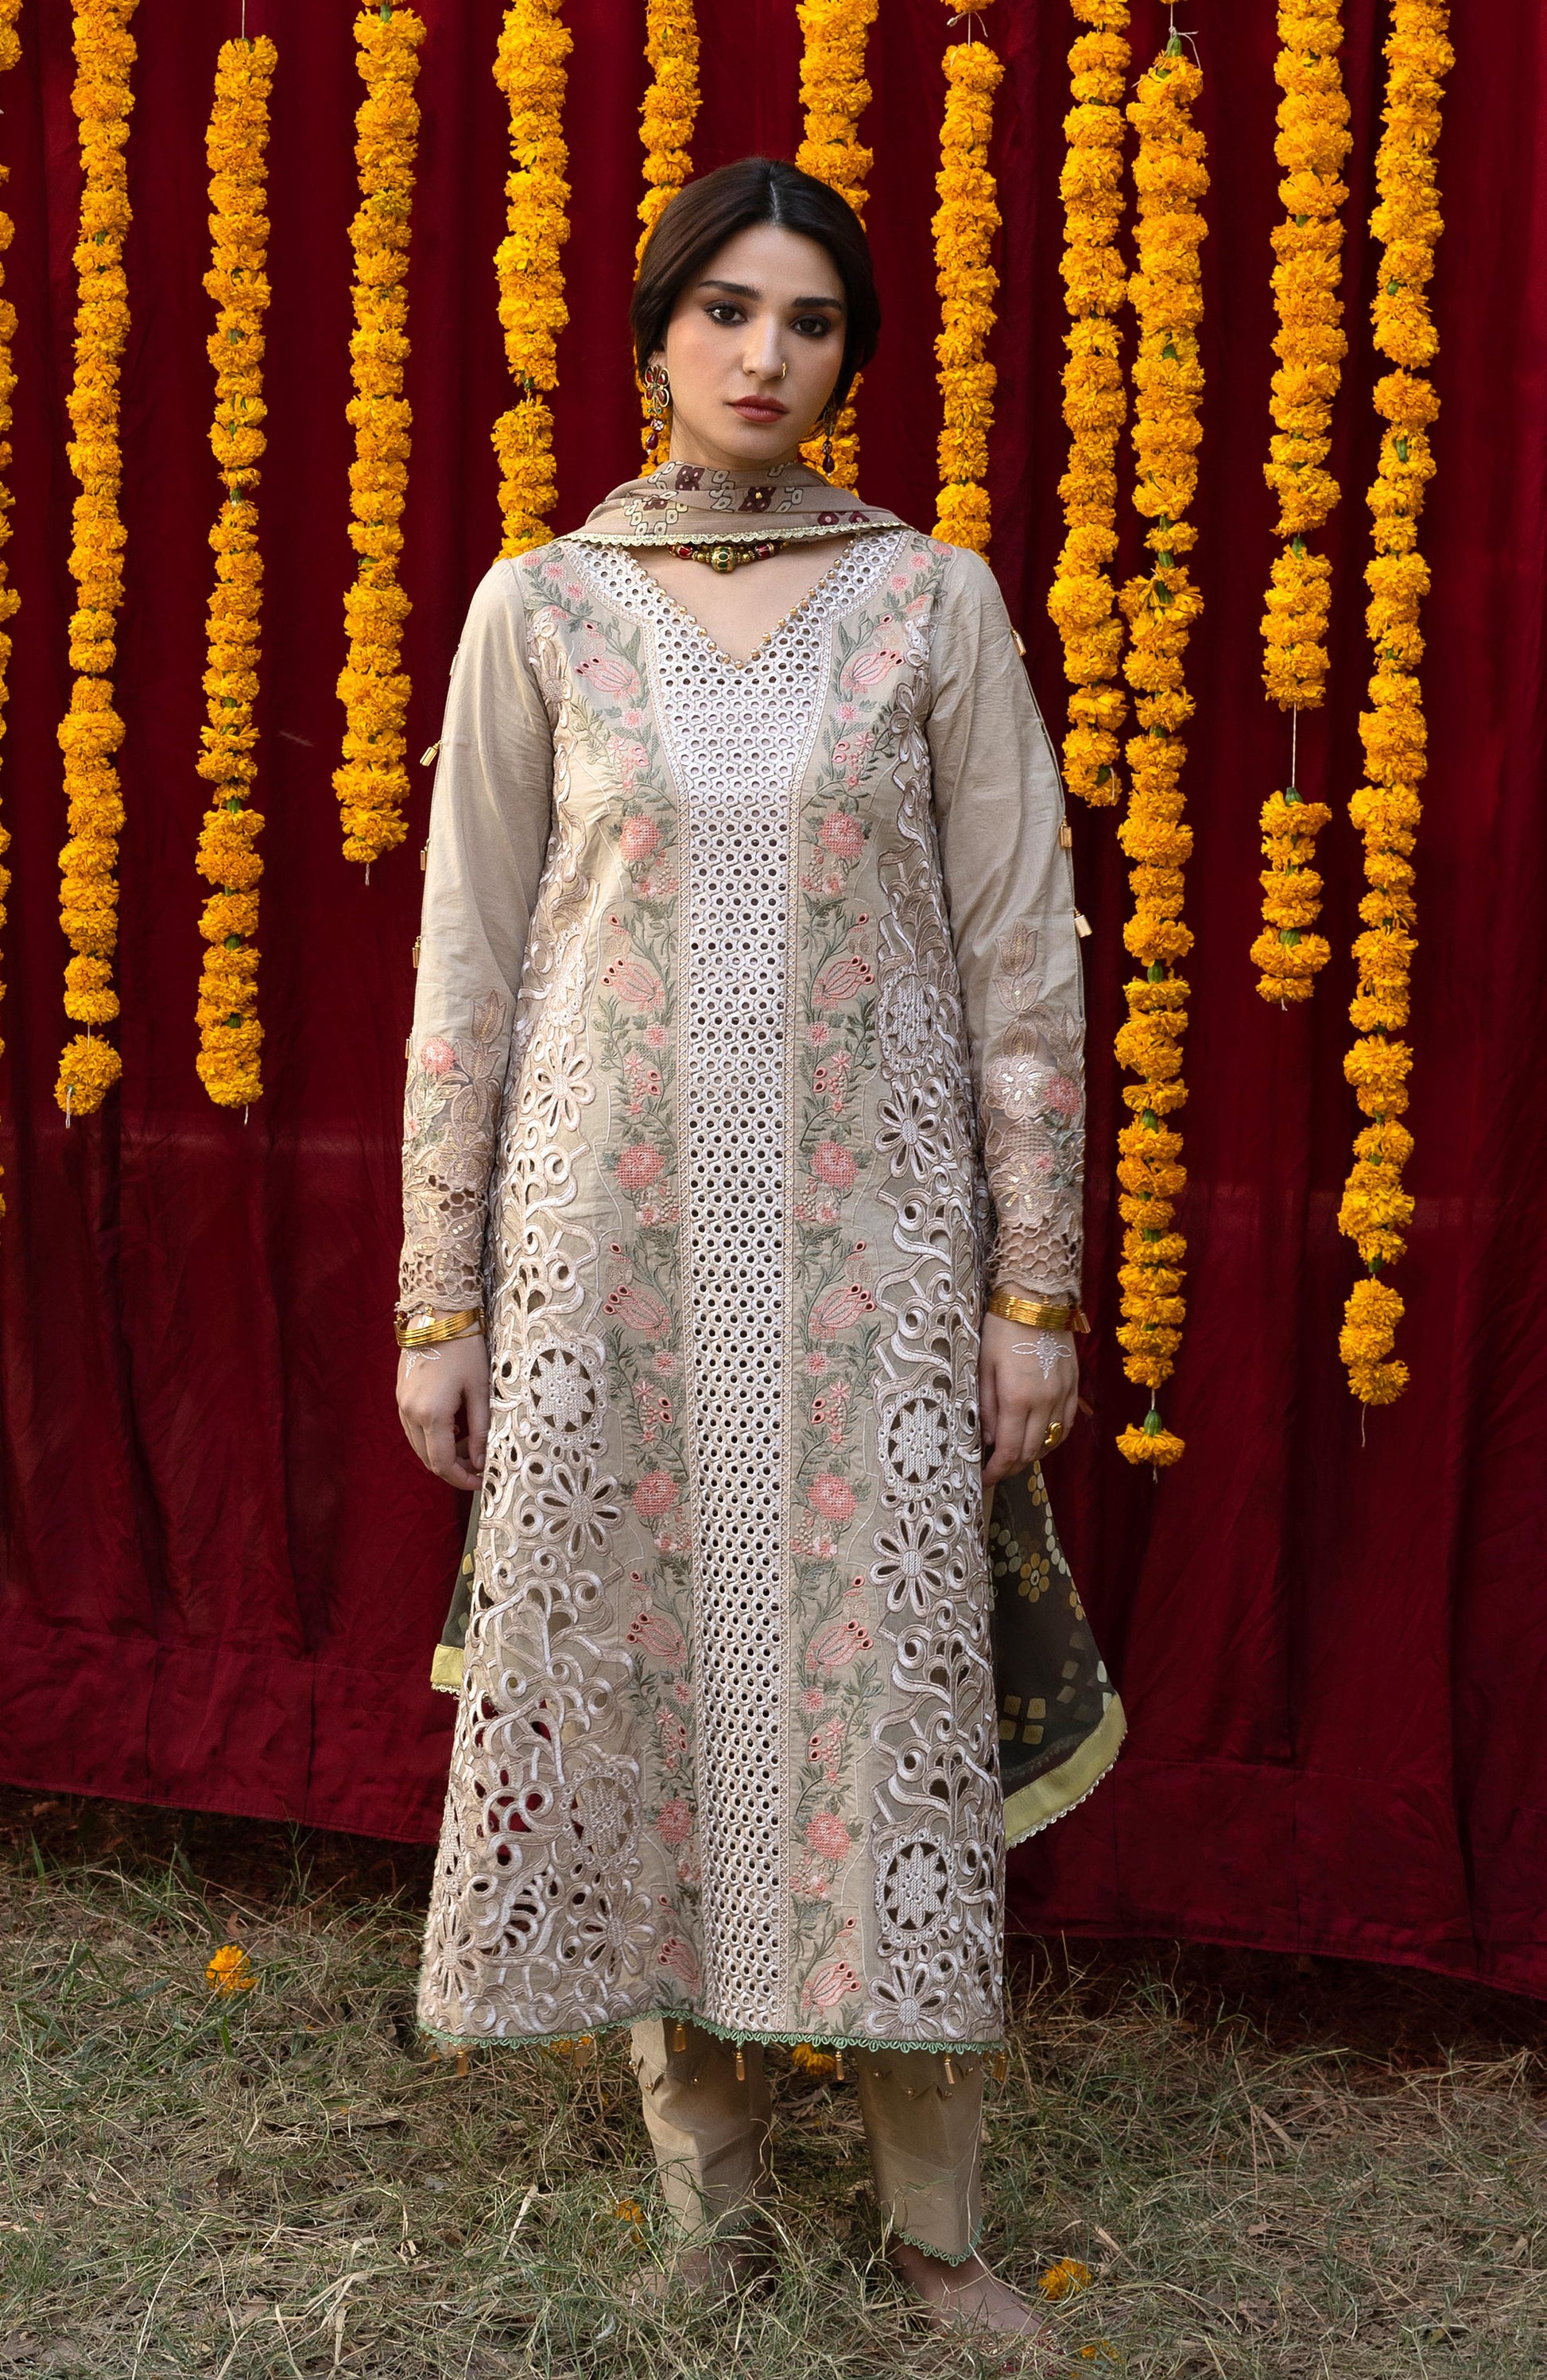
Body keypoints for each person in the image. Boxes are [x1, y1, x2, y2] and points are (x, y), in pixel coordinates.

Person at [395, 155, 1116, 2355]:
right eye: (725, 311)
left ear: (849, 357)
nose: (764, 356)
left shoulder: (931, 605)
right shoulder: (542, 608)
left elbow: (1021, 956)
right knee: (637, 1690)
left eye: (807, 320)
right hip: (604, 1253)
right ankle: (702, 2194)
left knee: (879, 1705)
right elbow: (469, 964)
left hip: (868, 1268)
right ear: (651, 337)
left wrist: (1030, 1292)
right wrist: (442, 1295)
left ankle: (934, 2230)